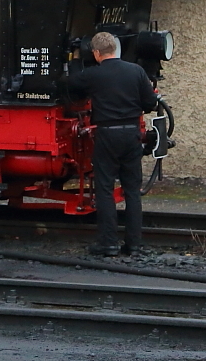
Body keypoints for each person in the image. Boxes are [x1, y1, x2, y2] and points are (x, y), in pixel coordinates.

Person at [68, 31, 158, 257]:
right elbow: (149, 102)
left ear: (97, 53)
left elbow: (69, 85)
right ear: (115, 49)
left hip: (107, 134)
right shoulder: (136, 71)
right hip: (131, 134)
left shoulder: (93, 75)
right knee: (132, 191)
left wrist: (76, 61)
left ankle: (108, 243)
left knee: (105, 189)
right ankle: (134, 244)